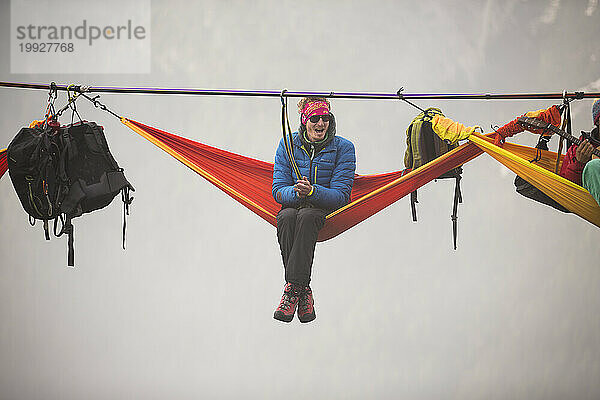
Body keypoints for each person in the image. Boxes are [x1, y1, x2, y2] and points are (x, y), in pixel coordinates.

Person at [271, 97, 356, 323]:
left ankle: (291, 291)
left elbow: (341, 196)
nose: (321, 123)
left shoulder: (344, 148)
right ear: (304, 120)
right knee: (286, 217)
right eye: (315, 118)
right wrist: (296, 193)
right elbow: (278, 190)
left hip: (324, 210)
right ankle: (302, 289)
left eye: (325, 118)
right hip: (293, 205)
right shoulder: (287, 144)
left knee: (307, 216)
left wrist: (312, 192)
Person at [560, 99, 600, 205]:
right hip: (592, 201)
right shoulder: (580, 147)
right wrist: (579, 163)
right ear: (599, 121)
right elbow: (567, 190)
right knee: (593, 165)